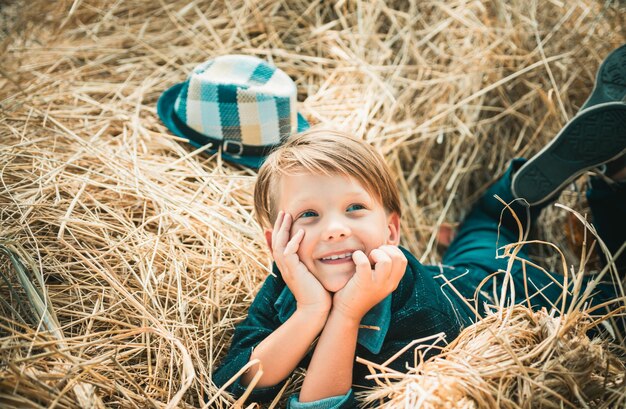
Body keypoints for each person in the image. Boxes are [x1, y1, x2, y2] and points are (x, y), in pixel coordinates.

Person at [206, 47, 626, 408]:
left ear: (391, 232)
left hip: (515, 294)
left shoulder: (414, 314)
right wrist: (311, 309)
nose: (334, 229)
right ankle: (526, 189)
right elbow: (236, 382)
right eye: (308, 215)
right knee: (486, 226)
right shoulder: (288, 279)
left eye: (354, 208)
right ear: (277, 241)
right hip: (463, 270)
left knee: (614, 300)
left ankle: (612, 185)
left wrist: (347, 313)